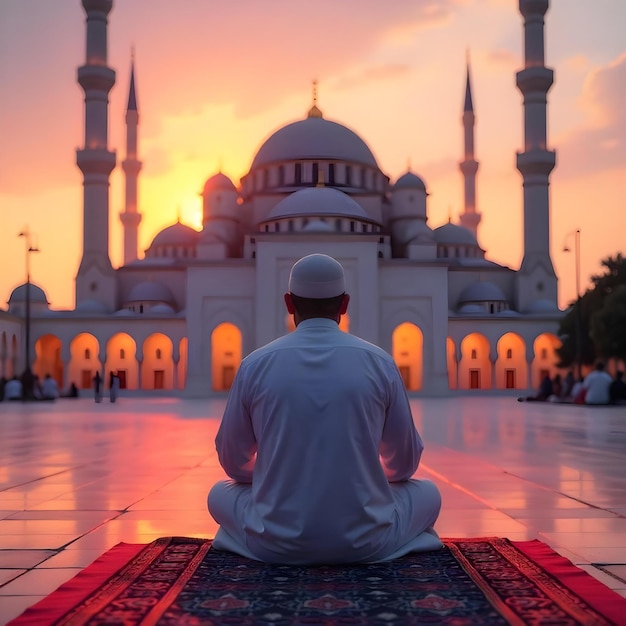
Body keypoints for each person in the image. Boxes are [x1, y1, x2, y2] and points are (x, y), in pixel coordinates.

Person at [208, 254, 442, 565]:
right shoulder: (380, 362)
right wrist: (359, 477)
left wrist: (275, 477)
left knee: (218, 493)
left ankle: (250, 536)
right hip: (368, 541)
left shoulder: (254, 364)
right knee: (428, 493)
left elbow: (233, 462)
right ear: (344, 304)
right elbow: (404, 464)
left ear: (289, 303)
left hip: (273, 541)